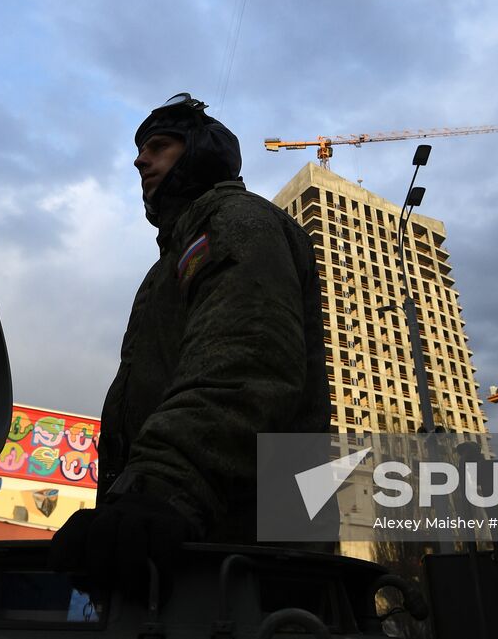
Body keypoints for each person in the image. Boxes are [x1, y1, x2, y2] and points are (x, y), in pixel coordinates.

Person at [50, 93, 329, 597]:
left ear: (202, 152)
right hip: (199, 558)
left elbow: (246, 359)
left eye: (159, 146)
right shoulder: (170, 262)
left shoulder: (236, 219)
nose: (140, 159)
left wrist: (162, 489)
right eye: (140, 150)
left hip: (252, 568)